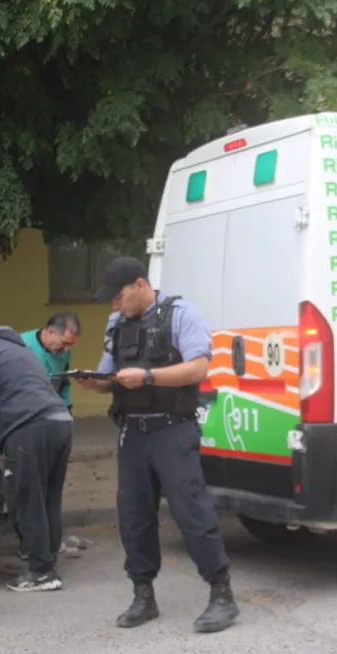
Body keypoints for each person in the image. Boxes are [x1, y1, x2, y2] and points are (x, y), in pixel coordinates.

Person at [75, 256, 239, 634]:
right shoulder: (117, 324)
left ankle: (221, 594)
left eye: (118, 296)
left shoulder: (181, 313)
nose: (113, 304)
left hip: (172, 430)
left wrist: (148, 376)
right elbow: (111, 375)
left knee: (191, 510)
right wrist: (94, 382)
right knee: (133, 516)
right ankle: (143, 596)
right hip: (133, 432)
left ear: (140, 284)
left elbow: (199, 368)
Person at [0, 312, 75, 592]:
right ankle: (46, 559)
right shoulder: (18, 349)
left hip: (29, 428)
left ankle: (41, 571)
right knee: (48, 495)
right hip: (60, 423)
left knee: (25, 498)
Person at [20, 312, 81, 412]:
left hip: (52, 409)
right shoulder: (21, 344)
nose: (67, 349)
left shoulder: (65, 352)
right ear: (50, 331)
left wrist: (67, 406)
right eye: (64, 343)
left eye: (71, 344)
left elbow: (64, 381)